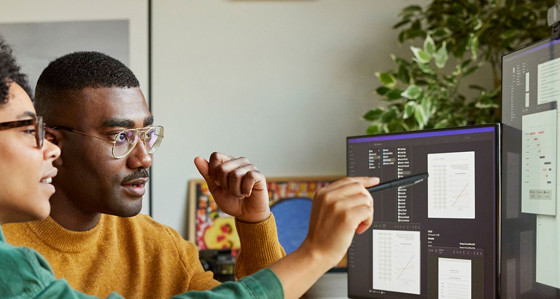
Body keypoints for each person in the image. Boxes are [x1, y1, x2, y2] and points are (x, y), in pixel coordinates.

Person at [0, 36, 379, 299]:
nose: (144, 158)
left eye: (146, 134)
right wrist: (316, 252)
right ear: (55, 140)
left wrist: (254, 224)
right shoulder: (8, 253)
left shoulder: (160, 248)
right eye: (119, 137)